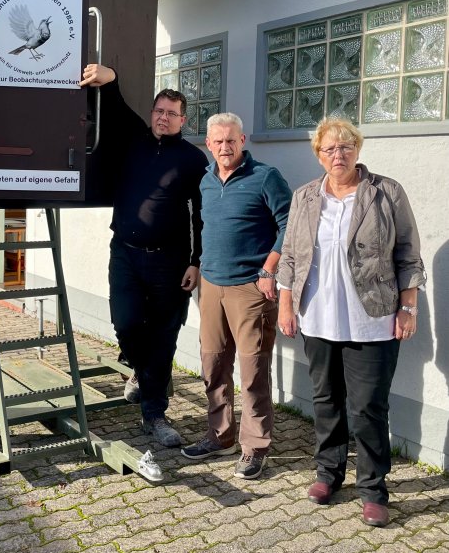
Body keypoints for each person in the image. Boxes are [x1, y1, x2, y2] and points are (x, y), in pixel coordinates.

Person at [277, 118, 425, 527]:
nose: (338, 155)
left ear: (357, 150)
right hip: (318, 317)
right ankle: (328, 473)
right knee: (326, 401)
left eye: (345, 147)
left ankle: (373, 489)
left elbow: (408, 253)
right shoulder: (306, 196)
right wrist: (286, 305)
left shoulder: (386, 192)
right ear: (319, 155)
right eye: (329, 149)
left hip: (371, 320)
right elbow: (289, 255)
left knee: (368, 408)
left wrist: (408, 307)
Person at [80, 64, 207, 447]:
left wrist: (196, 261)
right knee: (126, 322)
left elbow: (201, 214)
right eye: (159, 111)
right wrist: (112, 77)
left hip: (171, 260)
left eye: (172, 113)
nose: (163, 118)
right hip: (126, 253)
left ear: (183, 120)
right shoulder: (133, 139)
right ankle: (140, 369)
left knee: (165, 335)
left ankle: (154, 414)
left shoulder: (193, 160)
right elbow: (115, 106)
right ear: (152, 113)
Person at [181, 112, 291, 479]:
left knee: (253, 371)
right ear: (209, 145)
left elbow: (289, 225)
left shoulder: (266, 177)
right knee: (213, 365)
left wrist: (269, 269)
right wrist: (197, 264)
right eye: (218, 141)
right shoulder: (206, 180)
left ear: (242, 141)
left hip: (250, 288)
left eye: (231, 140)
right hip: (212, 286)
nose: (225, 147)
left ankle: (254, 446)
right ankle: (220, 436)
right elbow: (202, 227)